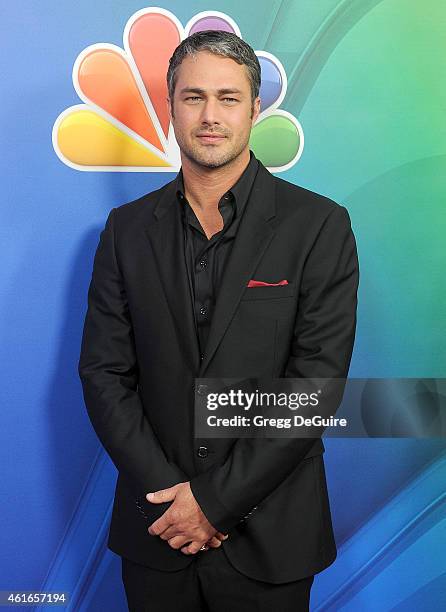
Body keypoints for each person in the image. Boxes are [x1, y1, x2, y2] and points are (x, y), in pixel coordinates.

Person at [78, 30, 359, 611]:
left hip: (271, 537)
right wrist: (173, 502)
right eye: (193, 97)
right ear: (171, 107)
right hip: (159, 532)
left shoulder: (318, 227)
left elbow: (314, 386)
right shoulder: (125, 231)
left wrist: (213, 503)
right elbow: (105, 376)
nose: (210, 116)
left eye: (228, 98)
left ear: (255, 109)